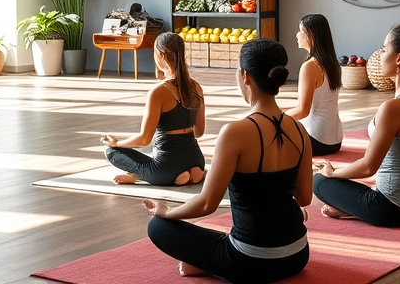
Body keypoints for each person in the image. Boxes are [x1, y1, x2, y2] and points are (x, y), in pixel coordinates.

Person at [143, 39, 312, 284]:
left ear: (245, 76)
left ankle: (209, 266)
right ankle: (211, 262)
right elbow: (305, 198)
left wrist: (167, 212)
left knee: (157, 227)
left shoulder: (235, 132)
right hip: (298, 254)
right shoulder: (299, 129)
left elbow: (206, 204)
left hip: (251, 262)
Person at [313, 25, 400, 228]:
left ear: (399, 58)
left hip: (392, 210)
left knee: (319, 182)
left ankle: (355, 211)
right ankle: (354, 210)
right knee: (350, 183)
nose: (380, 55)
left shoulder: (394, 107)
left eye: (384, 49)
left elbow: (368, 167)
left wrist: (332, 173)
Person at [101, 32, 206, 186]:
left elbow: (144, 139)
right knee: (167, 159)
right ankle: (193, 172)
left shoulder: (159, 92)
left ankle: (142, 176)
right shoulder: (196, 87)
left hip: (167, 167)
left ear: (161, 55)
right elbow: (199, 132)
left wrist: (117, 143)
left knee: (111, 152)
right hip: (196, 159)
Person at [287, 14, 344, 155]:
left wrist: (276, 119)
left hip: (315, 140)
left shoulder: (310, 66)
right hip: (335, 141)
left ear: (310, 35)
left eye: (300, 30)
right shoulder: (333, 64)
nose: (297, 35)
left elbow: (302, 110)